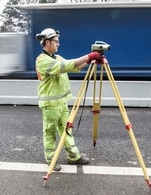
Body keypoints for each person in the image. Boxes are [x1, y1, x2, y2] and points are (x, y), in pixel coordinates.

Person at [35, 28, 103, 172]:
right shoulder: (42, 60)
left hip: (61, 103)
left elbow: (74, 67)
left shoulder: (57, 57)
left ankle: (73, 156)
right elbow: (65, 66)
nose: (59, 44)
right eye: (56, 41)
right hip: (50, 104)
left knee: (67, 130)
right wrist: (88, 56)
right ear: (47, 42)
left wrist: (90, 60)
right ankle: (51, 159)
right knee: (50, 132)